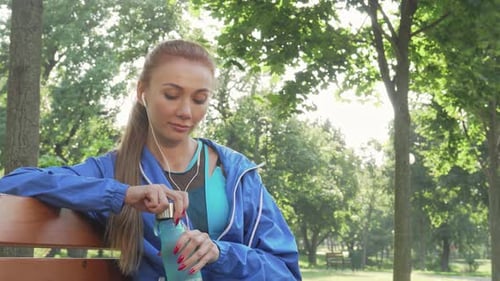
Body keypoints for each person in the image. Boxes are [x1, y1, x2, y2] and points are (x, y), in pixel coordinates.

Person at [0, 39, 302, 281]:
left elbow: (285, 271)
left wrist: (220, 254)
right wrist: (122, 194)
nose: (186, 111)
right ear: (142, 93)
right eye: (172, 95)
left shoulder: (237, 173)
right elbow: (15, 181)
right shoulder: (113, 170)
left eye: (199, 99)